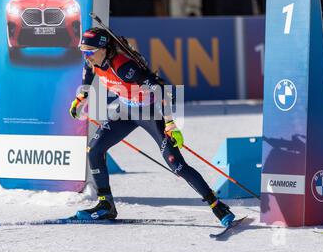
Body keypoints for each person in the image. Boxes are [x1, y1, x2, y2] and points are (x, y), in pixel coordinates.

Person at [68, 27, 236, 227]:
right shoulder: (94, 61)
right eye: (83, 52)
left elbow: (159, 88)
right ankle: (106, 206)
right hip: (125, 110)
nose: (86, 56)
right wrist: (81, 97)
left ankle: (216, 205)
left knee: (176, 165)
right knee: (94, 151)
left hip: (149, 112)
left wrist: (170, 123)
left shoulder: (123, 67)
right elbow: (88, 71)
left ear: (103, 49)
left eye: (89, 52)